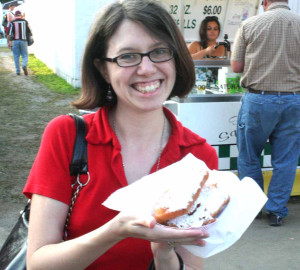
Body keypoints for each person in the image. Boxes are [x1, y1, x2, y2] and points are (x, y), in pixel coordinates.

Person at [23, 0, 218, 269]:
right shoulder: (67, 136)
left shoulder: (198, 155)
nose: (147, 69)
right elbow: (38, 263)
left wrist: (164, 254)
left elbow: (192, 265)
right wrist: (115, 230)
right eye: (127, 56)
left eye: (160, 51)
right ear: (103, 68)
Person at [231, 0, 300, 226]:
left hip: (258, 99)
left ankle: (253, 207)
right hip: (294, 99)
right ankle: (276, 210)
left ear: (264, 3)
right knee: (286, 158)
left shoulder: (250, 24)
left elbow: (236, 66)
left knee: (249, 155)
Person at [7, 10, 31, 75]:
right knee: (25, 55)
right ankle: (24, 65)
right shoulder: (25, 22)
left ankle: (18, 71)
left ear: (15, 15)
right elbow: (29, 32)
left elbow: (9, 34)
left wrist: (9, 42)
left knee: (16, 56)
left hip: (15, 41)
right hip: (24, 41)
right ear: (20, 15)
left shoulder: (12, 22)